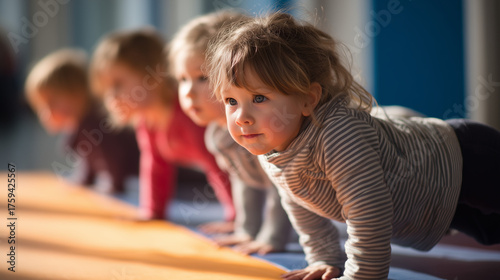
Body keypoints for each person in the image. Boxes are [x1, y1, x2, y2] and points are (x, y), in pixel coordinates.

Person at [206, 12, 500, 279]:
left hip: (467, 157)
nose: (241, 117)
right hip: (440, 202)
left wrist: (362, 275)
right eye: (231, 101)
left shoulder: (338, 134)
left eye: (259, 98)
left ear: (307, 100)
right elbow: (302, 209)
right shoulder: (271, 147)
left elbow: (368, 212)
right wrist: (325, 259)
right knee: (490, 233)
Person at [168, 11, 292, 254]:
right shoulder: (217, 135)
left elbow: (281, 186)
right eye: (182, 79)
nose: (188, 92)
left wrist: (272, 236)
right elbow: (245, 181)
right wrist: (245, 229)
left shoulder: (264, 131)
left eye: (202, 78)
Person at [90, 29, 235, 230]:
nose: (111, 96)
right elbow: (155, 165)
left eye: (118, 84)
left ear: (151, 74)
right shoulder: (147, 122)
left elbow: (220, 166)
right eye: (106, 89)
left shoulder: (187, 113)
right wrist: (153, 211)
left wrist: (236, 216)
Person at [25, 49, 139, 193]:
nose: (44, 112)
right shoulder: (83, 124)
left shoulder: (95, 123)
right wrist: (86, 179)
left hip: (140, 182)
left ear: (77, 93)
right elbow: (90, 159)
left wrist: (114, 184)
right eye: (40, 106)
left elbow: (113, 157)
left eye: (51, 102)